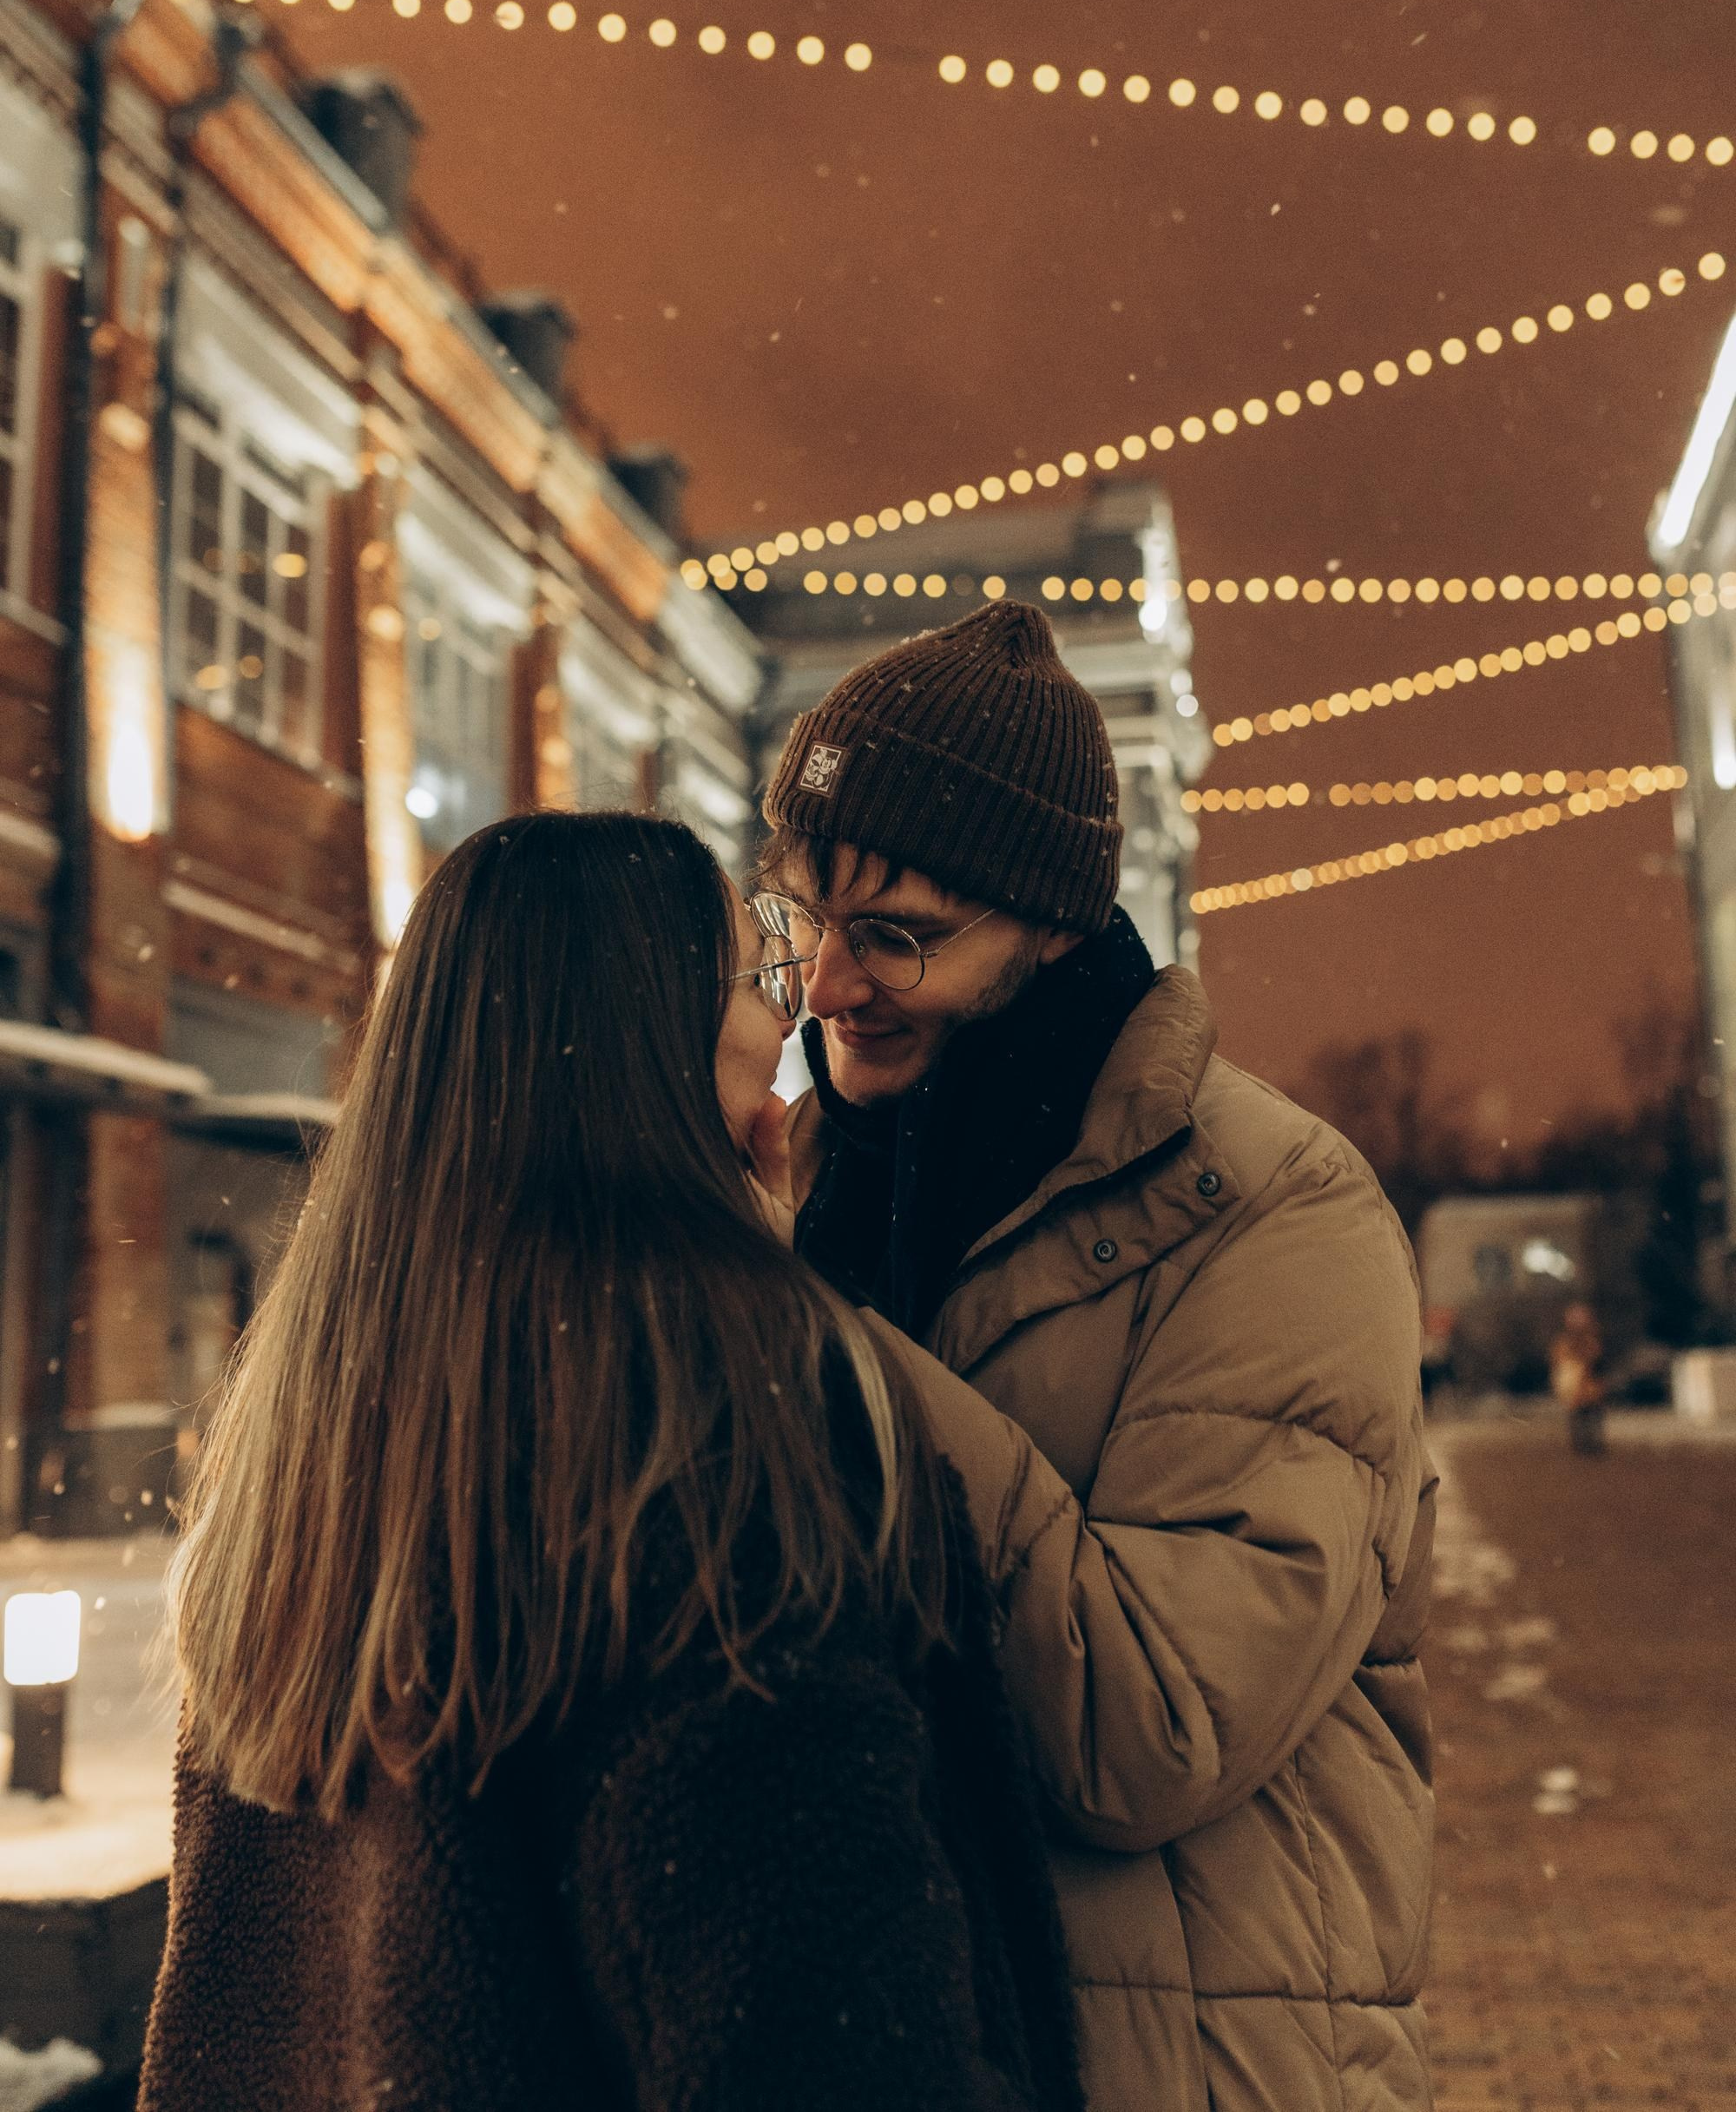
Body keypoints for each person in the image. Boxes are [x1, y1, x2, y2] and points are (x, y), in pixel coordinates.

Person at [139, 811, 1083, 2112]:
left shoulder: (317, 1424)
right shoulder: (716, 1431)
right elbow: (823, 2034)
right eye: (760, 968)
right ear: (650, 1049)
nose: (801, 1004)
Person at [755, 602, 1437, 2112]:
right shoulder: (820, 1176)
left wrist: (814, 1353)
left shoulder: (1273, 1214)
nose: (825, 985)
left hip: (1188, 2068)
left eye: (896, 936)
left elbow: (1149, 1727)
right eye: (796, 917)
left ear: (1055, 926)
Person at [1549, 1299, 1608, 1454]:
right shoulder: (1565, 1342)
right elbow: (1560, 1363)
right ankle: (1582, 1444)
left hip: (1589, 1386)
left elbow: (1596, 1360)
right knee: (1579, 1417)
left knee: (1591, 1416)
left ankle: (1591, 1443)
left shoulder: (1591, 1340)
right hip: (1577, 1388)